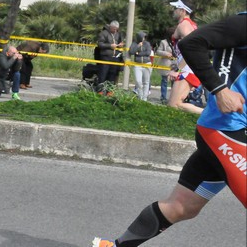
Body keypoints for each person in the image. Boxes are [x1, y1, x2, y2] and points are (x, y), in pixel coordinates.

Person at [92, 13, 247, 247]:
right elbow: (191, 43)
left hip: (233, 133)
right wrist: (220, 90)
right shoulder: (244, 23)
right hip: (226, 129)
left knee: (181, 206)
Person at [167, 0, 203, 114]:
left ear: (182, 11)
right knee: (174, 105)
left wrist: (178, 69)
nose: (174, 11)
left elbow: (191, 49)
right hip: (188, 67)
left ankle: (212, 115)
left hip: (187, 69)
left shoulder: (184, 26)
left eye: (176, 9)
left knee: (174, 105)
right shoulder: (190, 24)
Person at [96, 21, 124, 93]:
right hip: (105, 57)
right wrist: (110, 46)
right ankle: (100, 91)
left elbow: (121, 42)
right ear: (110, 27)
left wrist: (120, 44)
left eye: (116, 29)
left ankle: (110, 91)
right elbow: (100, 44)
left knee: (112, 75)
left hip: (115, 57)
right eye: (114, 29)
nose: (115, 30)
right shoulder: (104, 33)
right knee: (103, 74)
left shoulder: (118, 34)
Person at [128, 31, 152, 101]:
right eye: (143, 37)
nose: (144, 38)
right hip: (137, 64)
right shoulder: (134, 43)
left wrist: (138, 54)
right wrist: (138, 46)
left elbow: (148, 53)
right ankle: (140, 96)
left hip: (146, 63)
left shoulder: (147, 43)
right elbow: (131, 52)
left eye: (145, 37)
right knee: (138, 81)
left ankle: (145, 98)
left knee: (146, 82)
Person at [155, 27, 174, 104]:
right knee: (164, 81)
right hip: (165, 65)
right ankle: (163, 97)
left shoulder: (177, 42)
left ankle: (173, 97)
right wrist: (166, 54)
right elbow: (158, 51)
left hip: (174, 65)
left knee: (174, 82)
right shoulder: (164, 42)